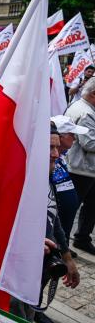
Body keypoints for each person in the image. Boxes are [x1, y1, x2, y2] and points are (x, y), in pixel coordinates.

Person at [0, 124, 79, 320]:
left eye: (57, 148)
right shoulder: (4, 174)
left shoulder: (46, 174)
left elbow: (52, 216)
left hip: (36, 275)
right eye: (49, 147)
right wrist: (24, 245)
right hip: (7, 279)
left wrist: (67, 257)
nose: (55, 154)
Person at [64, 78, 95, 255]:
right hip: (81, 169)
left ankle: (82, 238)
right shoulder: (86, 112)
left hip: (85, 169)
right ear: (93, 94)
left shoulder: (83, 107)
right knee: (71, 208)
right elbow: (89, 143)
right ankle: (63, 245)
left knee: (91, 206)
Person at [50, 115, 87, 248]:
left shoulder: (62, 157)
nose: (75, 138)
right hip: (53, 231)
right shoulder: (48, 161)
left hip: (63, 227)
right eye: (72, 134)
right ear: (60, 137)